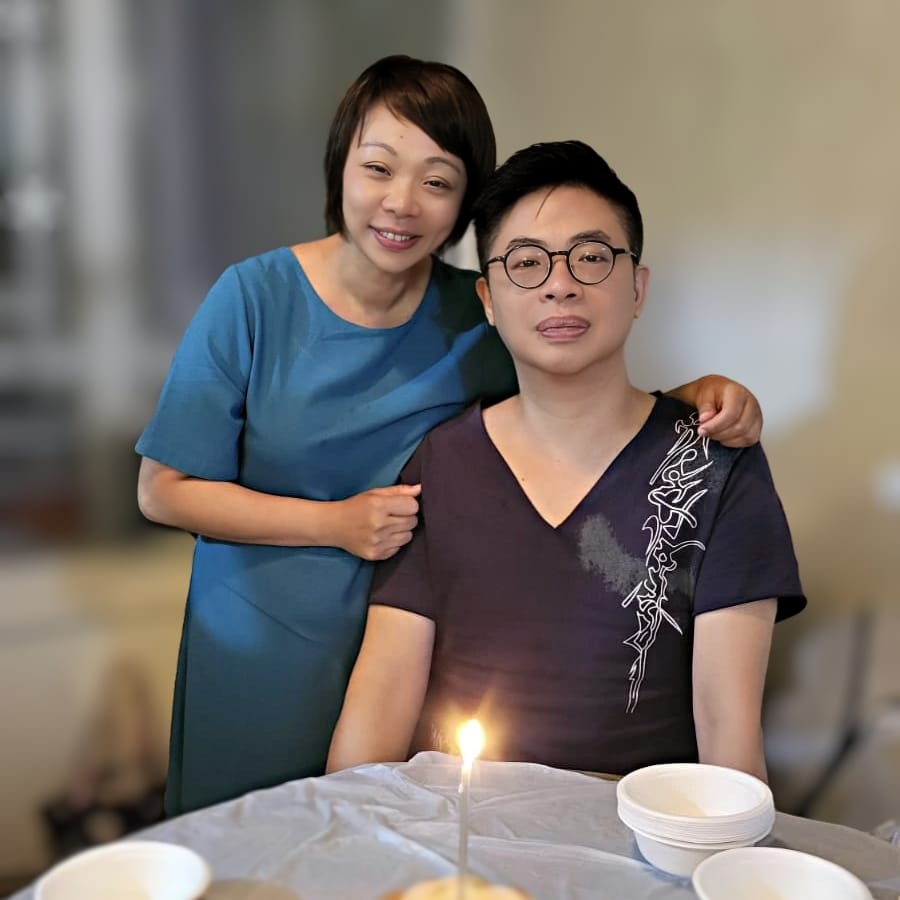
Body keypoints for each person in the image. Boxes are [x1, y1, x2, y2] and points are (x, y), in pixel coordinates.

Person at [136, 56, 764, 817]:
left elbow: (576, 386)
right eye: (378, 168)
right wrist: (334, 523)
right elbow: (162, 490)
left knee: (376, 831)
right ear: (340, 166)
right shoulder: (253, 298)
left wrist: (689, 404)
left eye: (437, 181)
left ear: (465, 202)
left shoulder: (477, 313)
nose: (401, 203)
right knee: (246, 841)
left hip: (402, 649)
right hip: (262, 640)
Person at [327, 140, 806, 783]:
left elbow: (729, 734)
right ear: (488, 299)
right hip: (460, 826)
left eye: (591, 257)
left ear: (637, 288)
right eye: (526, 262)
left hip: (637, 833)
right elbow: (379, 705)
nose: (560, 285)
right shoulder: (442, 464)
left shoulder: (714, 465)